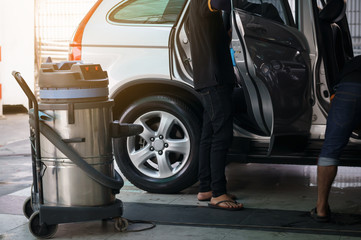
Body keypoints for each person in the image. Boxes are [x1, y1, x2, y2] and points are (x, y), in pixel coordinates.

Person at [188, 0, 243, 210]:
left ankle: (206, 188)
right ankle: (218, 193)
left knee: (209, 135)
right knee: (222, 135)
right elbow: (224, 3)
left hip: (212, 79)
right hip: (214, 80)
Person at [311, 55, 361, 222]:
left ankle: (321, 208)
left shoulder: (352, 64)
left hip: (348, 91)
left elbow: (335, 100)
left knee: (330, 150)